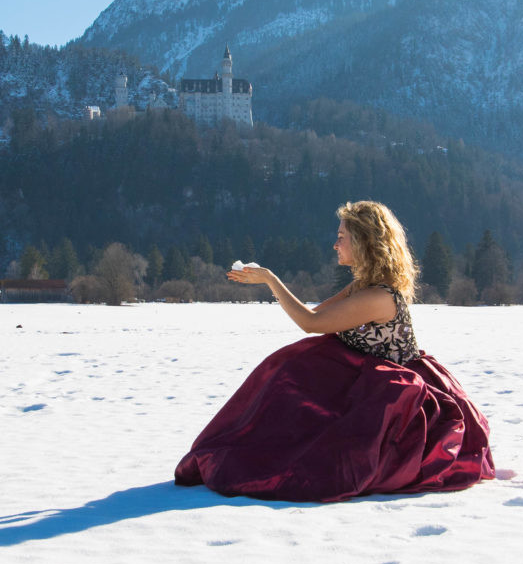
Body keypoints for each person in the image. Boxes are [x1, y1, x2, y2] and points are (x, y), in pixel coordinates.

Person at [174, 200, 495, 502]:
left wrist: (271, 280)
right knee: (288, 368)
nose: (335, 244)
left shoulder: (378, 295)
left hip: (396, 395)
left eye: (342, 237)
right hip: (369, 379)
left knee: (304, 400)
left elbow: (311, 323)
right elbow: (317, 315)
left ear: (364, 241)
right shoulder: (363, 286)